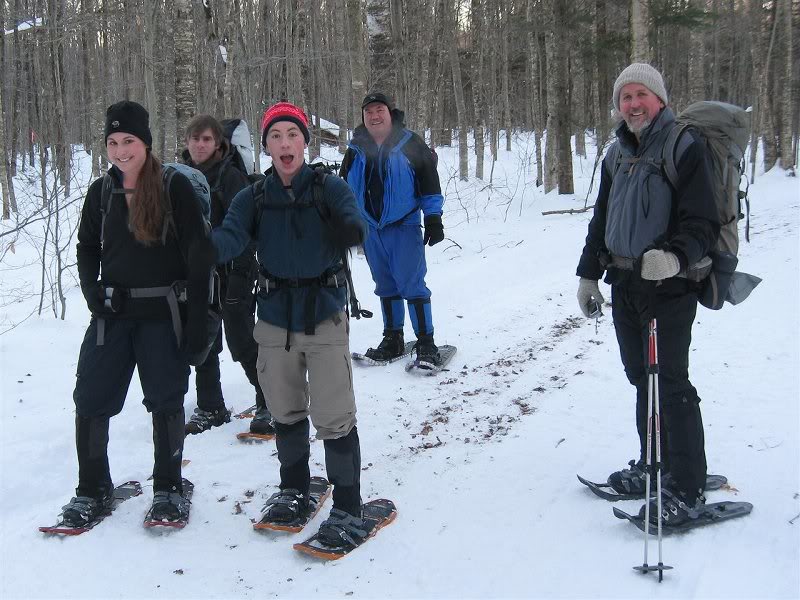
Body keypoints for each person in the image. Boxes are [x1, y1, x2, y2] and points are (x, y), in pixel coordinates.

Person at [212, 101, 373, 548]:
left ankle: (348, 506)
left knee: (334, 416)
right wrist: (202, 247)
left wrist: (350, 229)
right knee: (283, 410)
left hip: (324, 315)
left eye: (292, 135)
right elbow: (231, 236)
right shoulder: (253, 197)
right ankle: (294, 489)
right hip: (274, 318)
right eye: (276, 136)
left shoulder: (328, 187)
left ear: (305, 141)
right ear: (266, 146)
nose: (285, 144)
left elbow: (354, 219)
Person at [576, 63, 720, 526]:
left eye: (641, 94)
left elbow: (704, 221)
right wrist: (587, 274)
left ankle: (687, 486)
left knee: (670, 382)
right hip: (624, 284)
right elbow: (601, 219)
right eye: (625, 97)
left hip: (668, 288)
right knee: (642, 378)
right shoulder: (616, 154)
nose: (633, 104)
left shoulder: (684, 145)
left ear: (659, 99)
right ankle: (654, 463)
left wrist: (675, 257)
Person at [61, 100, 213, 526]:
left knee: (165, 400)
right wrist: (92, 292)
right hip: (112, 315)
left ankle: (168, 487)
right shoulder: (101, 192)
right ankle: (92, 489)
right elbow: (87, 247)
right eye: (112, 142)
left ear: (145, 142)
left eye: (128, 140)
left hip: (163, 314)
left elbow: (200, 254)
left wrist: (198, 323)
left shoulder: (172, 186)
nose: (120, 150)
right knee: (91, 398)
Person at [181, 115, 273, 436]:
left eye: (207, 139)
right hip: (199, 273)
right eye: (195, 139)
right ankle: (211, 406)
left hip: (235, 269)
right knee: (203, 340)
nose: (200, 145)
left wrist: (240, 271)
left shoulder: (230, 176)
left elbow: (247, 227)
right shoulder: (182, 176)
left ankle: (269, 400)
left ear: (219, 143)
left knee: (242, 338)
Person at [340, 92, 445, 366]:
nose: (374, 116)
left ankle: (426, 343)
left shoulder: (409, 142)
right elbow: (343, 189)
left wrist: (433, 217)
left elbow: (429, 182)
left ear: (389, 113)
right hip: (371, 230)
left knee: (412, 284)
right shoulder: (355, 148)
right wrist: (343, 221)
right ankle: (393, 338)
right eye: (369, 112)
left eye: (379, 110)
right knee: (385, 284)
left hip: (404, 227)